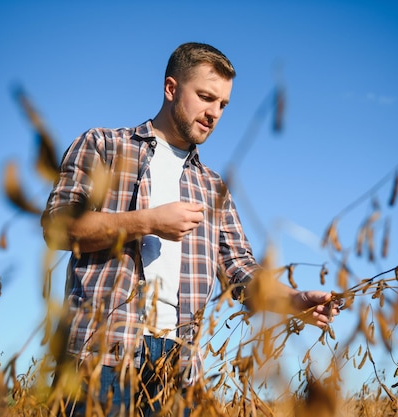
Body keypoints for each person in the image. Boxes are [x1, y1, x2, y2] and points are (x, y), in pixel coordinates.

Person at [41, 42, 341, 416]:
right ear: (170, 88)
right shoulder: (104, 146)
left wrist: (292, 301)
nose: (214, 113)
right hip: (99, 355)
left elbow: (240, 270)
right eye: (205, 97)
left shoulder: (213, 187)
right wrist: (148, 221)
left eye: (223, 105)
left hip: (178, 369)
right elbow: (59, 227)